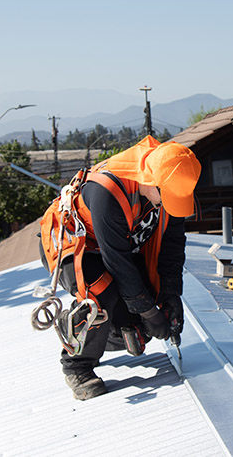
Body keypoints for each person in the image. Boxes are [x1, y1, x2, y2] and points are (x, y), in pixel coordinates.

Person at [40, 136, 201, 400]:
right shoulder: (107, 192)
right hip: (75, 245)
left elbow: (172, 245)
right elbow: (117, 262)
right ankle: (77, 365)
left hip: (118, 245)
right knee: (101, 296)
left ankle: (98, 332)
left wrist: (171, 295)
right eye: (167, 197)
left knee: (140, 325)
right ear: (149, 180)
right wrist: (148, 311)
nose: (168, 203)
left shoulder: (173, 173)